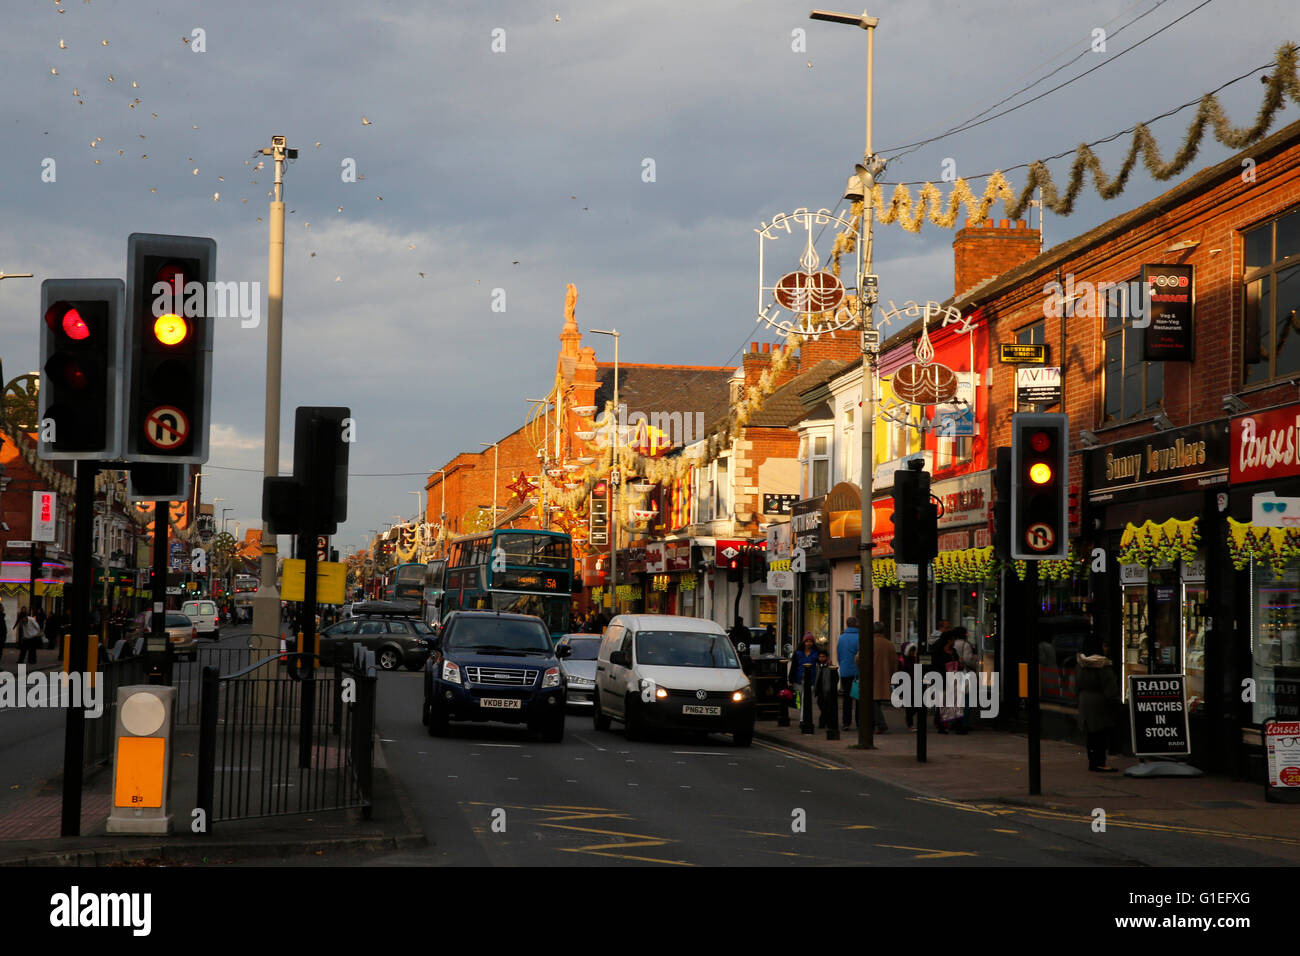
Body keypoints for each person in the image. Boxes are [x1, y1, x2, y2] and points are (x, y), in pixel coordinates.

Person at [1077, 636, 1120, 772]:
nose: (1106, 649)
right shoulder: (1103, 666)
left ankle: (1093, 761)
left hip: (1085, 702)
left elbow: (1075, 685)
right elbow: (1110, 689)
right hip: (1100, 704)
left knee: (1091, 734)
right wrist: (1116, 702)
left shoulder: (1081, 663)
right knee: (1101, 735)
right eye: (1104, 646)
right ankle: (1100, 762)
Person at [950, 625, 979, 733]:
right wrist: (975, 662)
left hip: (954, 673)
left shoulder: (953, 644)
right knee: (967, 699)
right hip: (966, 674)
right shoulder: (965, 645)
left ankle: (953, 721)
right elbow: (968, 659)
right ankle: (964, 722)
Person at [930, 629, 959, 733]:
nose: (954, 641)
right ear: (949, 640)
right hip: (942, 678)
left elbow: (957, 661)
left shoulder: (953, 651)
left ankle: (954, 724)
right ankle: (941, 724)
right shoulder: (939, 652)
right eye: (953, 639)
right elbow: (936, 665)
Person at [872, 621, 896, 733]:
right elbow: (894, 662)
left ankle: (880, 723)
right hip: (885, 676)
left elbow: (858, 658)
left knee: (872, 701)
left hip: (871, 676)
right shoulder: (889, 644)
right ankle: (876, 724)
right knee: (876, 701)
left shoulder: (869, 642)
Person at [836, 617, 860, 729]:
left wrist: (843, 665)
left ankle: (846, 723)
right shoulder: (860, 637)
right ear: (856, 624)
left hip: (845, 671)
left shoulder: (841, 638)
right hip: (857, 672)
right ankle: (860, 722)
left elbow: (839, 655)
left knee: (847, 698)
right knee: (859, 697)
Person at [788, 633, 819, 711]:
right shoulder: (798, 653)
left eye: (810, 641)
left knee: (807, 699)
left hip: (811, 679)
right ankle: (801, 712)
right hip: (799, 679)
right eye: (807, 641)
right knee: (799, 699)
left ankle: (803, 717)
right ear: (804, 642)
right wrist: (790, 680)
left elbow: (821, 662)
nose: (809, 643)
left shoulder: (816, 653)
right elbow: (793, 667)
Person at [902, 641, 920, 730]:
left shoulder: (915, 659)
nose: (913, 653)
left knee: (916, 704)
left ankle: (910, 720)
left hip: (916, 683)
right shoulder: (904, 661)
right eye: (911, 651)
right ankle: (910, 723)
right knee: (910, 705)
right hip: (908, 684)